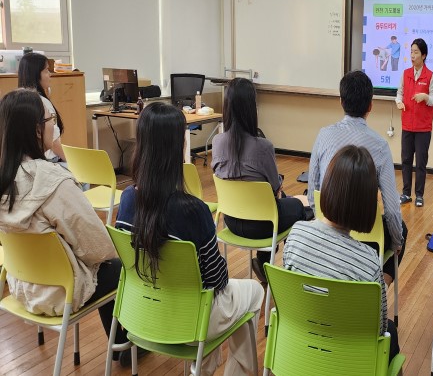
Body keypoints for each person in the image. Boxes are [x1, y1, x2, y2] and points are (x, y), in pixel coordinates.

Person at [116, 102, 265, 375]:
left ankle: (203, 366)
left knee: (205, 298)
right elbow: (216, 281)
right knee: (254, 292)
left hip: (141, 312)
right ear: (178, 148)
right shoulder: (193, 210)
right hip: (190, 320)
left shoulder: (126, 200)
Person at [0, 89, 131, 365]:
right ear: (37, 130)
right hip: (62, 293)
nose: (55, 126)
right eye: (51, 120)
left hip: (22, 287)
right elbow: (99, 248)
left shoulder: (5, 179)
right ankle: (123, 347)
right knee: (119, 266)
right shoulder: (53, 182)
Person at [286, 145, 400, 362]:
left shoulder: (295, 234)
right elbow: (378, 330)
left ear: (328, 186)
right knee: (391, 332)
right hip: (345, 359)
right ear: (367, 203)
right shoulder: (368, 262)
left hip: (301, 348)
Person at [308, 70, 407, 285]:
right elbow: (391, 209)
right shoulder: (380, 146)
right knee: (401, 231)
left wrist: (321, 223)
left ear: (341, 101)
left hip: (327, 226)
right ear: (370, 106)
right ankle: (377, 290)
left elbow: (313, 190)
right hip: (366, 233)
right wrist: (397, 241)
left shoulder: (324, 135)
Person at [212, 78, 307, 283]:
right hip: (262, 225)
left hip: (231, 221)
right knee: (300, 208)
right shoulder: (263, 147)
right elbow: (275, 187)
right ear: (251, 108)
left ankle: (265, 267)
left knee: (286, 200)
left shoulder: (217, 142)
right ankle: (282, 271)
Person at [396, 38, 433, 207]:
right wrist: (399, 102)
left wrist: (425, 97)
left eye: (416, 52)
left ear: (424, 55)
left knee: (420, 162)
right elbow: (399, 93)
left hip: (423, 127)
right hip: (407, 124)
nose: (412, 56)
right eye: (411, 52)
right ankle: (406, 193)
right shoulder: (405, 73)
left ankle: (419, 195)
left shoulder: (430, 76)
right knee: (406, 160)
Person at [17, 52, 66, 162]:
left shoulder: (17, 100)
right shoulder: (42, 103)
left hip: (28, 161)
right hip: (49, 160)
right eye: (46, 70)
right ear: (35, 74)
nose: (50, 74)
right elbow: (53, 142)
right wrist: (72, 163)